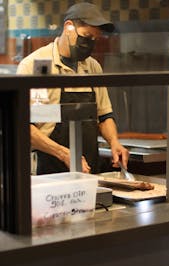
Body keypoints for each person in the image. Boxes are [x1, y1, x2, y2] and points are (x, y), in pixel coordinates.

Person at [17, 2, 129, 175]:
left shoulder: (93, 67)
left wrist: (114, 142)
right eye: (86, 35)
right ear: (69, 27)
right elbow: (24, 126)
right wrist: (63, 153)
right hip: (48, 169)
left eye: (94, 39)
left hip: (88, 168)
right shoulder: (35, 65)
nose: (90, 43)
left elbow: (104, 115)